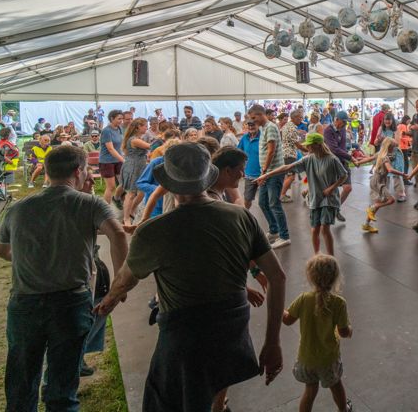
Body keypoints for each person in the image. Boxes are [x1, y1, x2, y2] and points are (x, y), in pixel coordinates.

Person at [94, 142, 287, 411]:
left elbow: (126, 279)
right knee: (219, 385)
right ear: (208, 174)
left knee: (170, 399)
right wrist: (273, 342)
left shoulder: (154, 231)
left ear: (169, 183)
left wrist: (110, 299)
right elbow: (277, 277)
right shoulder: (241, 217)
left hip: (185, 334)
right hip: (232, 325)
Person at [0, 145, 128, 412]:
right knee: (63, 386)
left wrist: (32, 259)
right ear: (78, 171)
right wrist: (118, 282)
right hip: (70, 301)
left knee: (21, 383)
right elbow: (118, 234)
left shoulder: (20, 208)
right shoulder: (89, 203)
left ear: (46, 170)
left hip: (24, 303)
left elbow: (1, 250)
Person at [283, 255, 353, 412]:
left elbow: (287, 320)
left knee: (309, 391)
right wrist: (350, 330)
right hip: (328, 359)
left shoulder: (303, 299)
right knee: (336, 386)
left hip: (307, 359)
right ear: (336, 277)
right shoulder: (339, 303)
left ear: (311, 277)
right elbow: (343, 332)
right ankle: (343, 410)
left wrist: (278, 305)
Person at [257, 133, 347, 255]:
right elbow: (287, 167)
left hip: (329, 199)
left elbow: (343, 175)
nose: (307, 148)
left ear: (317, 145)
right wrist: (267, 174)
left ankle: (331, 257)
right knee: (315, 229)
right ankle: (317, 255)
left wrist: (332, 188)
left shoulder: (332, 159)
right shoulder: (308, 159)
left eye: (309, 145)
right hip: (315, 198)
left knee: (325, 228)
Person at [251, 104, 291, 249]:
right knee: (263, 202)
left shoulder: (271, 127)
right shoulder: (263, 128)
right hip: (267, 172)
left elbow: (271, 151)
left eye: (254, 118)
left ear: (261, 115)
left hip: (274, 172)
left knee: (274, 203)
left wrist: (264, 171)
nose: (253, 121)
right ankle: (274, 229)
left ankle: (284, 236)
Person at [323, 111, 355, 221]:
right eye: (344, 122)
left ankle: (336, 209)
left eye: (346, 122)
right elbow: (334, 149)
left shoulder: (342, 129)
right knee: (329, 190)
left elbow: (341, 148)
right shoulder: (328, 131)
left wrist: (347, 158)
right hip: (331, 164)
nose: (346, 124)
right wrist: (351, 158)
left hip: (342, 162)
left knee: (347, 188)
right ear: (336, 120)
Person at [119, 118, 151, 226]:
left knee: (142, 191)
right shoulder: (134, 140)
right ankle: (126, 218)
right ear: (138, 127)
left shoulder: (138, 138)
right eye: (145, 125)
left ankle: (132, 210)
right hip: (133, 167)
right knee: (131, 194)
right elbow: (150, 146)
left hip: (140, 167)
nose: (147, 127)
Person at [377, 112, 406, 201]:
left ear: (392, 120)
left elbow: (397, 143)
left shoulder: (396, 129)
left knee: (396, 175)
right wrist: (378, 140)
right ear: (384, 120)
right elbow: (376, 142)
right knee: (384, 175)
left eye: (389, 120)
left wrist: (385, 140)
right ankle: (385, 194)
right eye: (386, 119)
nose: (387, 121)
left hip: (395, 154)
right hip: (385, 154)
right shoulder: (381, 128)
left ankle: (401, 194)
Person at [99, 110, 125, 208]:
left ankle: (117, 198)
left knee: (124, 183)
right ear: (111, 119)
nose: (121, 121)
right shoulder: (106, 131)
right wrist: (123, 160)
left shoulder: (119, 128)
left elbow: (120, 145)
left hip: (118, 160)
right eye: (119, 119)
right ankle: (105, 210)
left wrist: (124, 155)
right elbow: (110, 148)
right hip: (107, 162)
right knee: (111, 187)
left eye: (122, 119)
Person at [279, 109, 305, 203]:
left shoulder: (287, 125)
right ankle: (282, 195)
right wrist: (308, 150)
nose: (301, 119)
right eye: (300, 117)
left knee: (288, 176)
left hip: (285, 153)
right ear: (294, 117)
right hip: (289, 154)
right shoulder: (292, 127)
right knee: (291, 176)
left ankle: (282, 193)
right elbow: (298, 144)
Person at [237, 120, 261, 211]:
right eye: (249, 125)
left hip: (264, 174)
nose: (251, 127)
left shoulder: (263, 137)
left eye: (253, 125)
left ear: (258, 125)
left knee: (265, 202)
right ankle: (245, 217)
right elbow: (239, 152)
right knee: (247, 199)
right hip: (249, 174)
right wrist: (241, 168)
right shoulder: (244, 138)